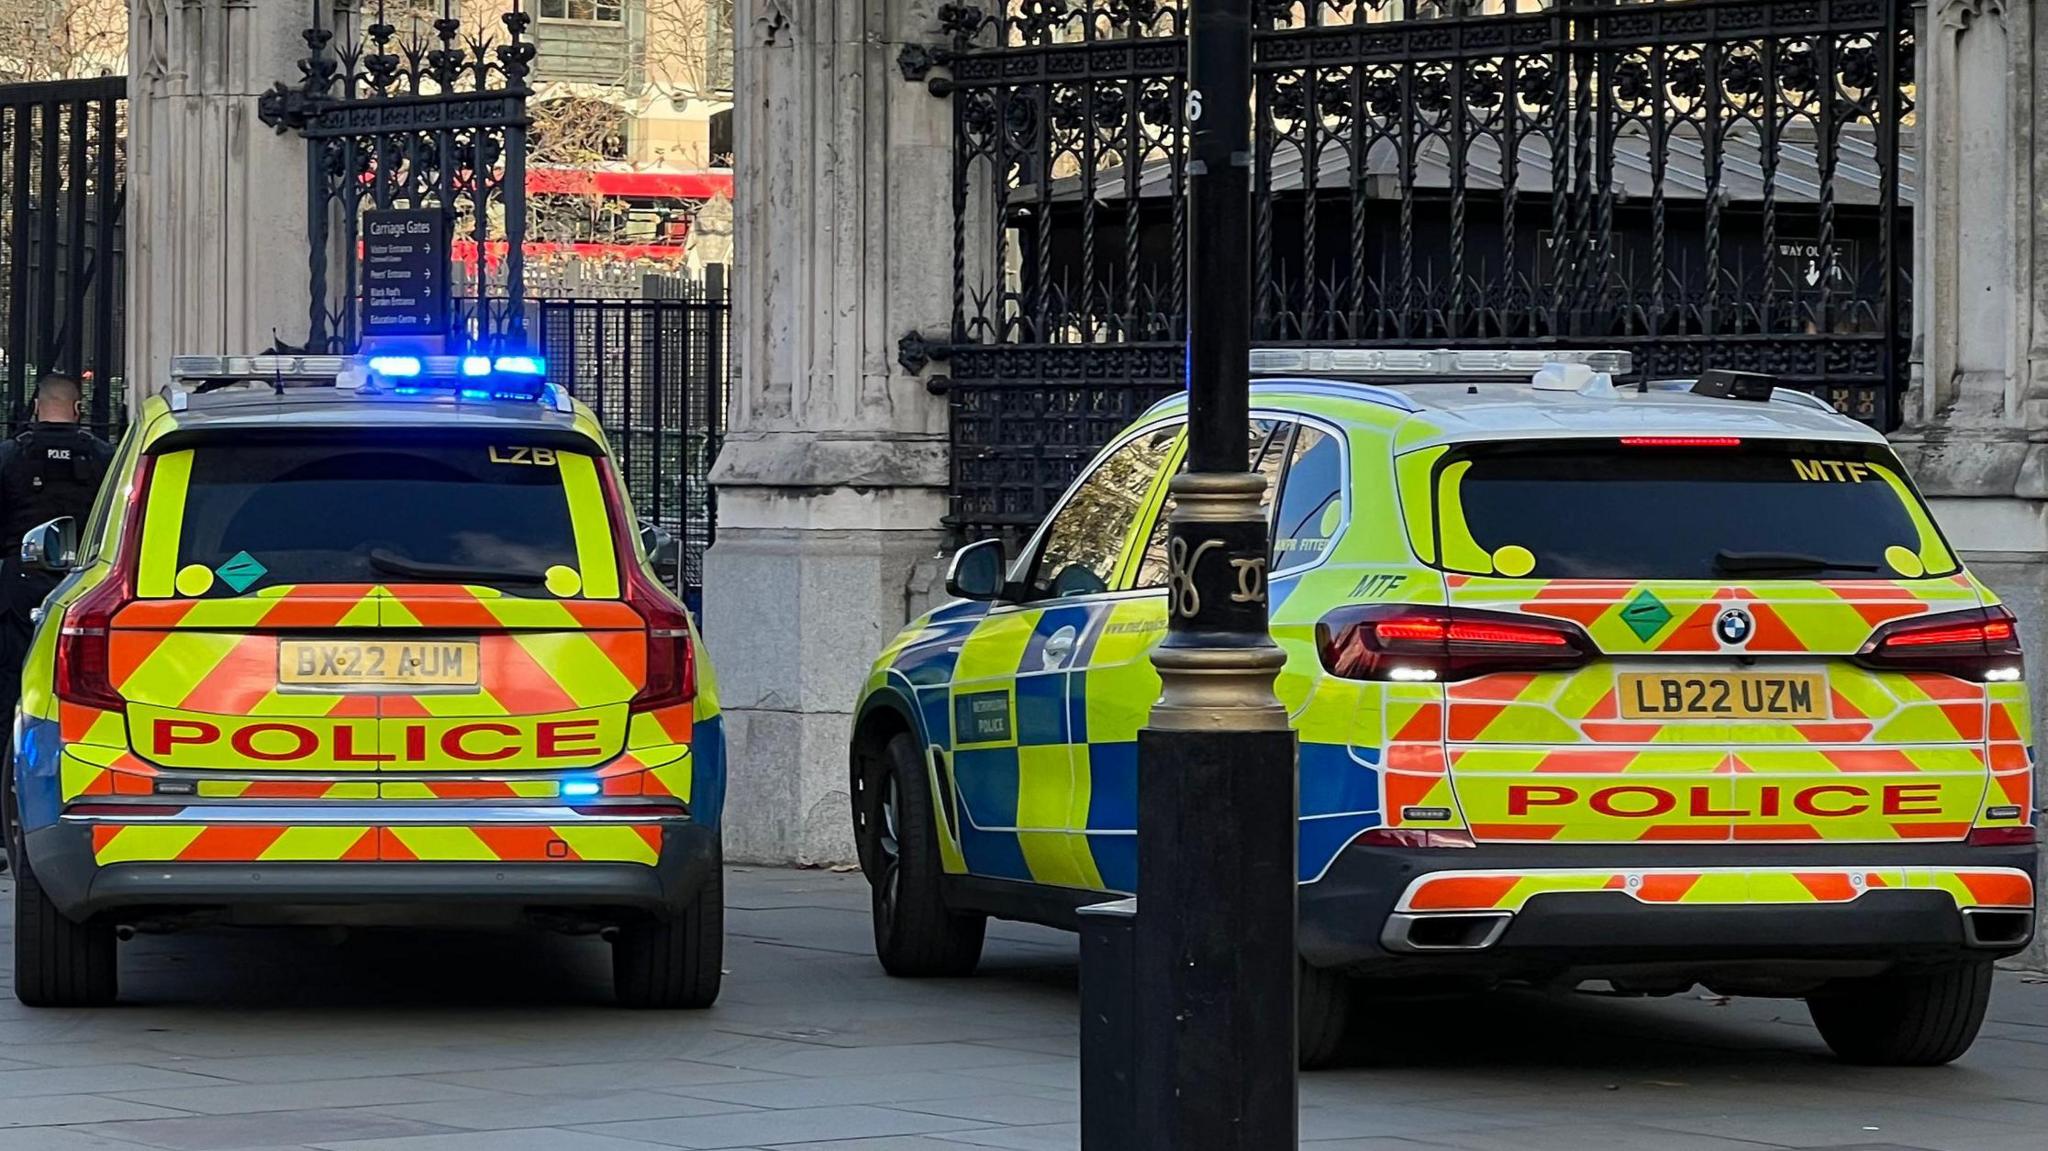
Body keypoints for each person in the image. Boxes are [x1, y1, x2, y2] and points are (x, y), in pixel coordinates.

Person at [0, 374, 113, 708]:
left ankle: (12, 752)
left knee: (14, 678)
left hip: (21, 582)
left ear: (36, 408)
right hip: (86, 580)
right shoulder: (104, 457)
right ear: (79, 409)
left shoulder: (9, 455)